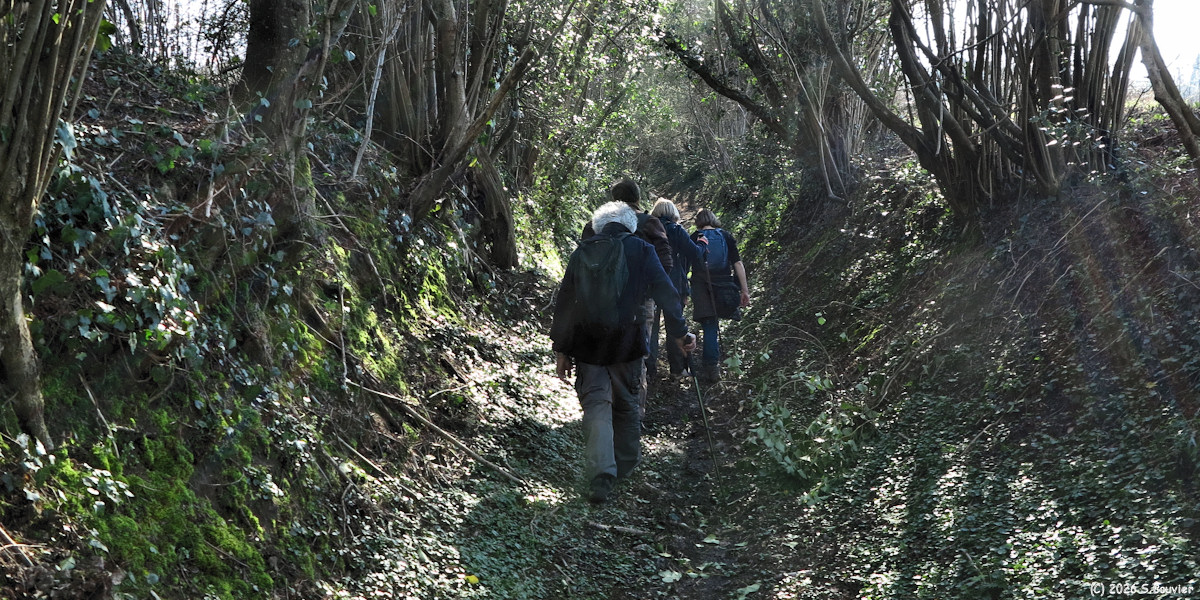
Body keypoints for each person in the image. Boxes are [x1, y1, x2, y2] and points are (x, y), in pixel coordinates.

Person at [552, 201, 697, 503]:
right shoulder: (641, 249)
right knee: (627, 403)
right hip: (627, 341)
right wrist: (681, 334)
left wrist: (562, 349)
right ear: (632, 225)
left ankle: (601, 475)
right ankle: (625, 465)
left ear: (598, 226)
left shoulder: (583, 251)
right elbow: (666, 293)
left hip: (587, 344)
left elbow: (566, 302)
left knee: (596, 406)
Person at [581, 179, 672, 399]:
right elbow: (665, 263)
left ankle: (603, 403)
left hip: (598, 302)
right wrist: (649, 291)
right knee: (636, 353)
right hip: (639, 303)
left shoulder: (595, 224)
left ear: (614, 199)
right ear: (638, 198)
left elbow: (582, 261)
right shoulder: (650, 223)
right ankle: (632, 409)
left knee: (601, 350)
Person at [689, 208, 751, 383]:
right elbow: (737, 263)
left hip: (701, 285)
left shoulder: (695, 237)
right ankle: (712, 367)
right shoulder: (725, 236)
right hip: (724, 285)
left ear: (698, 221)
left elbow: (686, 263)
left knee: (709, 325)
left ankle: (710, 365)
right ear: (714, 219)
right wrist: (744, 290)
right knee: (713, 326)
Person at [649, 198, 708, 380]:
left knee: (651, 329)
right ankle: (677, 370)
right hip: (674, 285)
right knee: (674, 326)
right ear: (673, 213)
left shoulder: (648, 230)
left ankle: (649, 371)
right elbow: (695, 254)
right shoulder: (676, 230)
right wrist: (703, 244)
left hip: (651, 284)